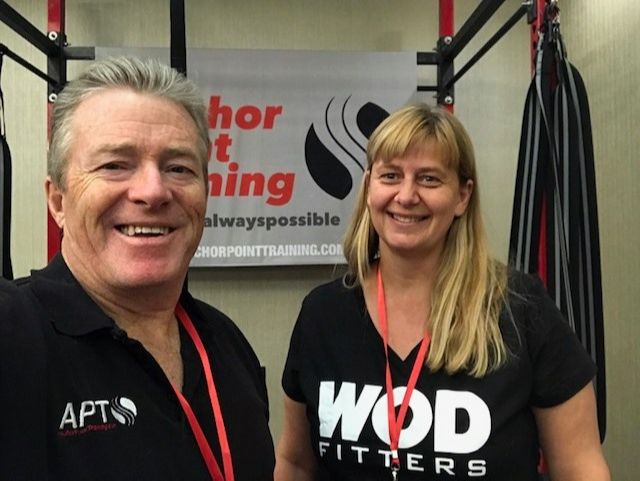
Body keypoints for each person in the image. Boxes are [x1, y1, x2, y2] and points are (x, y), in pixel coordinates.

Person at [274, 104, 610, 480]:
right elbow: (295, 463)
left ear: (462, 196)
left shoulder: (520, 310)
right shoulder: (323, 314)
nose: (406, 195)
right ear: (369, 187)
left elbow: (580, 467)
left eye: (429, 179)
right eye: (390, 175)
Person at [0, 56, 274, 480]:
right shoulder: (13, 335)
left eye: (178, 168)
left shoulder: (226, 344)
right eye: (115, 165)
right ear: (58, 201)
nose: (153, 191)